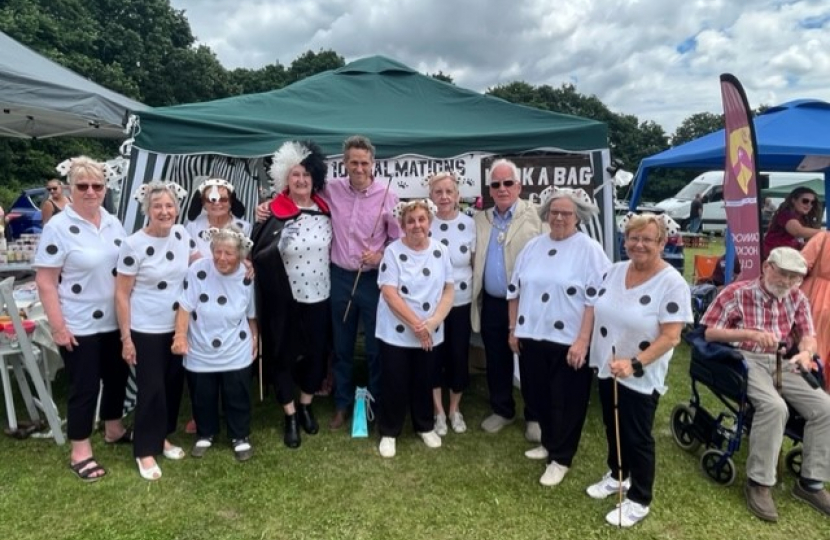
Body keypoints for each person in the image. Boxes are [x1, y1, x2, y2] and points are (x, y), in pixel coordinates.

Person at [702, 247, 830, 522]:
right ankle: (759, 483)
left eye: (794, 277)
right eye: (782, 274)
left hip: (783, 359)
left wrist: (807, 352)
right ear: (766, 267)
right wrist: (750, 333)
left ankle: (811, 483)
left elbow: (809, 334)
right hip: (746, 356)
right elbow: (710, 332)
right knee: (774, 407)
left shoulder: (797, 296)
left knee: (826, 407)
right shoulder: (736, 292)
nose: (786, 282)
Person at [586, 212, 692, 527]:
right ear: (625, 240)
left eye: (647, 239)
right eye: (634, 238)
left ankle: (639, 498)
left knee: (637, 435)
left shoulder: (671, 283)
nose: (639, 244)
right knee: (612, 424)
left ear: (661, 242)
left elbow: (672, 336)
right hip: (609, 364)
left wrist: (635, 364)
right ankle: (618, 475)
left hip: (639, 373)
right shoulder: (615, 270)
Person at [34, 156, 131, 482]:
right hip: (79, 323)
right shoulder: (57, 227)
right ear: (69, 188)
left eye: (97, 186)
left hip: (115, 320)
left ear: (105, 189)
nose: (91, 191)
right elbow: (46, 281)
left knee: (117, 378)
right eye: (83, 186)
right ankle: (80, 449)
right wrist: (58, 327)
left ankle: (114, 428)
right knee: (85, 386)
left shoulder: (113, 222)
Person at [507, 187, 611, 487]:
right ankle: (549, 443)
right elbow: (514, 290)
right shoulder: (533, 246)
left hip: (568, 338)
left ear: (577, 216)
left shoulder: (589, 249)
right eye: (554, 212)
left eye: (566, 213)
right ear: (546, 215)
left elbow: (595, 299)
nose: (559, 218)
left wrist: (583, 340)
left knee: (567, 400)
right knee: (537, 394)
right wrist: (512, 328)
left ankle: (562, 457)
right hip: (531, 333)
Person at [115, 181, 199, 481]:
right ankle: (143, 450)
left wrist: (239, 263)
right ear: (147, 211)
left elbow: (199, 265)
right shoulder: (133, 244)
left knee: (173, 385)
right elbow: (122, 294)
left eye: (169, 206)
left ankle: (161, 437)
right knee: (151, 389)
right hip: (145, 327)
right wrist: (126, 338)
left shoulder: (181, 234)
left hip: (176, 326)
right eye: (157, 206)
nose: (164, 211)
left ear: (176, 208)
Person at [251, 141, 332, 448]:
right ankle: (290, 415)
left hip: (319, 296)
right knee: (282, 356)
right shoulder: (271, 212)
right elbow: (255, 254)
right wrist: (278, 244)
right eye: (295, 174)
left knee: (315, 356)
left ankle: (307, 404)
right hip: (284, 299)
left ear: (315, 179)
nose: (301, 180)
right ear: (286, 177)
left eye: (306, 175)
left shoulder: (326, 212)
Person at [319, 136, 400, 429]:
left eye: (364, 162)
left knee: (375, 348)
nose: (359, 167)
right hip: (340, 277)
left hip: (371, 280)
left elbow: (397, 238)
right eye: (353, 162)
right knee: (342, 345)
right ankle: (341, 403)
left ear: (372, 164)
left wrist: (380, 255)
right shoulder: (331, 190)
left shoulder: (387, 195)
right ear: (344, 163)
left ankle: (374, 401)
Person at [472, 159, 544, 440]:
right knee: (496, 358)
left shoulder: (538, 216)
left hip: (527, 303)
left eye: (508, 183)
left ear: (519, 186)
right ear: (489, 189)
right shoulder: (481, 219)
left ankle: (535, 416)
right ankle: (502, 409)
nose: (502, 189)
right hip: (491, 301)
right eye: (496, 184)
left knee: (530, 360)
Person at [172, 227, 258, 461]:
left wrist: (255, 336)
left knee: (237, 392)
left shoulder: (246, 275)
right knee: (202, 393)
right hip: (200, 345)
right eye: (218, 252)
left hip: (235, 345)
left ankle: (239, 436)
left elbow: (250, 311)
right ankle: (205, 433)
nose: (222, 258)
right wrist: (180, 336)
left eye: (229, 253)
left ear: (240, 256)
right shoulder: (198, 270)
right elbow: (185, 306)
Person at [376, 199, 454, 458]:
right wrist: (416, 325)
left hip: (430, 330)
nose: (417, 225)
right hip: (396, 332)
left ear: (429, 222)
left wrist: (431, 324)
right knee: (394, 381)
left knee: (425, 379)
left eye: (421, 219)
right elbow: (389, 292)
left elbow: (449, 290)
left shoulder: (441, 250)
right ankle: (389, 431)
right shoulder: (393, 251)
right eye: (411, 221)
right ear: (402, 225)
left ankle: (425, 425)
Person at [427, 171, 475, 436]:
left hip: (461, 301)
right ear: (431, 196)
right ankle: (438, 412)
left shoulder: (470, 224)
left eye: (449, 192)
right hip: (432, 305)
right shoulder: (426, 223)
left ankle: (455, 408)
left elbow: (474, 262)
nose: (444, 197)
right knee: (433, 355)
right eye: (438, 192)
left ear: (457, 196)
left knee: (458, 355)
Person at [185, 177, 250, 257]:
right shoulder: (192, 226)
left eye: (223, 199)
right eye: (210, 199)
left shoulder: (245, 228)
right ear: (203, 203)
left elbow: (245, 260)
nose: (217, 203)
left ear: (231, 202)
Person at [801, 231, 830, 389]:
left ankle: (811, 392)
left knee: (812, 347)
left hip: (817, 298)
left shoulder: (824, 237)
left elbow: (800, 265)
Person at [762, 187, 822, 257]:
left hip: (785, 256)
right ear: (793, 200)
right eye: (805, 201)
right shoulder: (786, 214)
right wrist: (824, 232)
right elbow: (797, 231)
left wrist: (802, 245)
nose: (809, 205)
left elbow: (792, 240)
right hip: (775, 258)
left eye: (812, 202)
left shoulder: (801, 218)